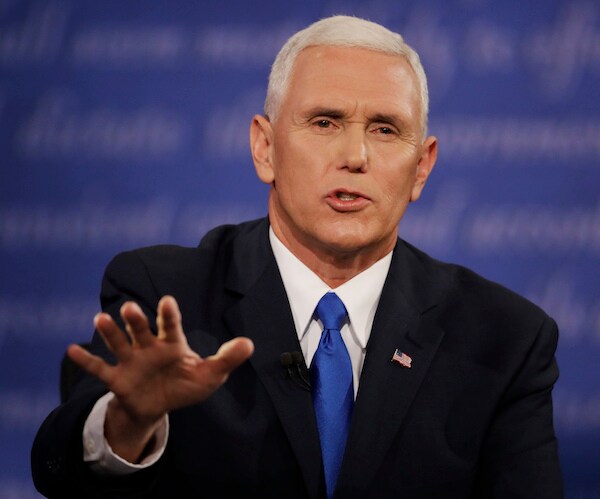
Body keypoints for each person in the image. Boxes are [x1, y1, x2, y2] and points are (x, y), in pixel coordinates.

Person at [31, 15, 563, 498]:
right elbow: (59, 469)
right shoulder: (165, 295)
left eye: (384, 129)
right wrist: (131, 421)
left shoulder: (505, 338)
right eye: (325, 122)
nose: (355, 157)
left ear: (421, 168)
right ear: (265, 148)